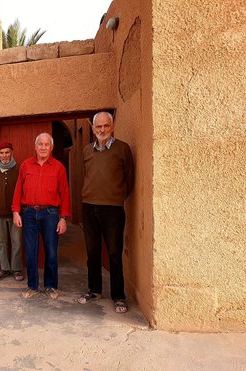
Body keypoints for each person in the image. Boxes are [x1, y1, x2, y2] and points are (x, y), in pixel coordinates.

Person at [78, 111, 134, 314]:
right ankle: (94, 290)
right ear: (93, 129)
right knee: (92, 252)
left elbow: (130, 178)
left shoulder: (123, 149)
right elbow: (87, 176)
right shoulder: (86, 150)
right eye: (98, 127)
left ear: (112, 127)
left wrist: (115, 197)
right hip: (89, 207)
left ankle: (118, 296)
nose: (102, 130)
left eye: (106, 126)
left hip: (113, 209)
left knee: (113, 253)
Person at [12, 133, 70, 300]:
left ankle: (50, 286)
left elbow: (65, 194)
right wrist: (16, 211)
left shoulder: (59, 167)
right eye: (40, 144)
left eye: (47, 145)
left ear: (51, 148)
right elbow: (18, 190)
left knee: (51, 252)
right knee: (30, 252)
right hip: (29, 213)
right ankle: (32, 286)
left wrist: (63, 218)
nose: (43, 147)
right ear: (35, 146)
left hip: (51, 214)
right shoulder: (25, 165)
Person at [0, 142, 23, 282]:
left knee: (16, 242)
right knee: (1, 242)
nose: (4, 155)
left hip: (15, 213)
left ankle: (16, 269)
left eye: (7, 152)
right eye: (1, 153)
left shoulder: (18, 168)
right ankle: (4, 268)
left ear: (12, 153)